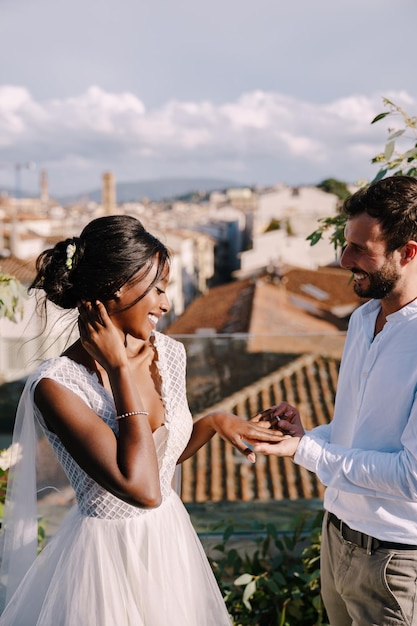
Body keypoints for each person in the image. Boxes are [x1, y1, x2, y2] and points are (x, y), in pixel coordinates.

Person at [0, 215, 282, 625]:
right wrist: (118, 369)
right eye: (157, 289)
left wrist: (214, 422)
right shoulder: (56, 387)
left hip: (168, 543)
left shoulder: (168, 354)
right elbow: (143, 488)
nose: (166, 304)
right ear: (113, 290)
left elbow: (159, 460)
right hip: (104, 563)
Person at [252, 175, 417, 625]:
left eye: (361, 248)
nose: (344, 259)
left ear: (408, 252)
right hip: (337, 538)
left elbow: (412, 476)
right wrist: (306, 435)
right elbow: (359, 436)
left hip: (394, 562)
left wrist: (305, 450)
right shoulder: (363, 320)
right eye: (346, 244)